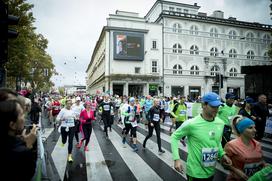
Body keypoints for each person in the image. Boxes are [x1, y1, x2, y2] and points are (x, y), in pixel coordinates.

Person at [171, 92, 232, 180]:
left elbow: (217, 141)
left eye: (218, 107)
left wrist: (222, 154)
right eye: (213, 106)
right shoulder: (191, 124)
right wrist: (176, 159)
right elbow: (174, 137)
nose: (216, 109)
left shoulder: (220, 123)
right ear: (203, 105)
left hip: (211, 171)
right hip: (195, 173)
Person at [2, 99, 38, 181]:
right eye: (21, 114)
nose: (24, 117)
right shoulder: (21, 152)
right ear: (12, 125)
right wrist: (29, 145)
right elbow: (29, 173)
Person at [224, 116, 268, 180]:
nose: (255, 130)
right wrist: (236, 171)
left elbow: (260, 160)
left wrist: (264, 164)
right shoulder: (231, 145)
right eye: (250, 128)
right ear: (242, 130)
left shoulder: (258, 144)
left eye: (254, 127)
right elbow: (224, 163)